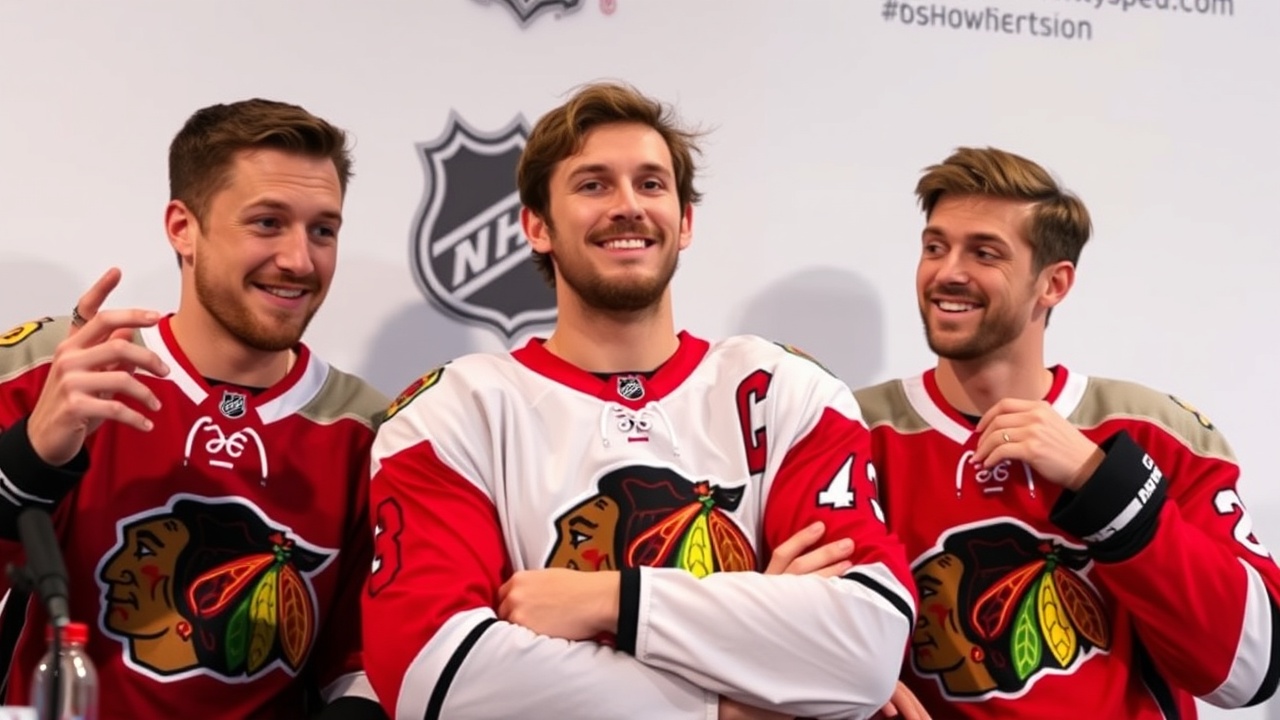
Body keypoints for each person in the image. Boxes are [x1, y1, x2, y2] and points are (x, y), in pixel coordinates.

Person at [363, 81, 917, 720]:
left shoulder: (788, 390)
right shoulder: (450, 412)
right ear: (537, 226)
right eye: (593, 185)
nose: (627, 206)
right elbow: (436, 675)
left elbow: (867, 646)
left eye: (651, 184)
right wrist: (744, 694)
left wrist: (610, 602)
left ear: (685, 222)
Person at [854, 146, 1280, 718]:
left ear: (1053, 283)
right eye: (935, 247)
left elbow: (1252, 669)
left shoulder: (1157, 432)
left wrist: (1103, 485)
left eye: (984, 253)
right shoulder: (849, 432)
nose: (947, 272)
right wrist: (841, 681)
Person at [0, 98, 389, 719]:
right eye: (267, 223)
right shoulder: (51, 366)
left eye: (323, 230)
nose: (300, 260)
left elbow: (364, 663)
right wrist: (27, 460)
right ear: (183, 227)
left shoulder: (369, 429)